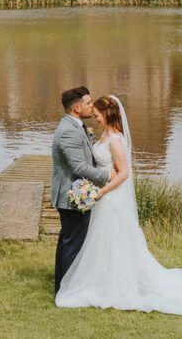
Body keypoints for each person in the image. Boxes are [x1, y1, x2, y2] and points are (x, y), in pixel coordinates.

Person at [55, 94, 182, 318]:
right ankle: (99, 279)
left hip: (111, 198)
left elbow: (124, 173)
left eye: (97, 116)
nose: (95, 119)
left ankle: (117, 284)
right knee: (101, 242)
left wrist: (100, 191)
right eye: (93, 115)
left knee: (114, 241)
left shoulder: (115, 140)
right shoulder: (103, 136)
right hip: (103, 197)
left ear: (108, 115)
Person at [50, 86, 110, 293]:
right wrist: (107, 176)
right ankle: (65, 289)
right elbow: (79, 167)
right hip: (72, 195)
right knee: (72, 242)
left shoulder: (76, 126)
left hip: (75, 193)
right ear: (77, 108)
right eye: (88, 103)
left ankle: (62, 285)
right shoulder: (68, 131)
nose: (92, 106)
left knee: (69, 240)